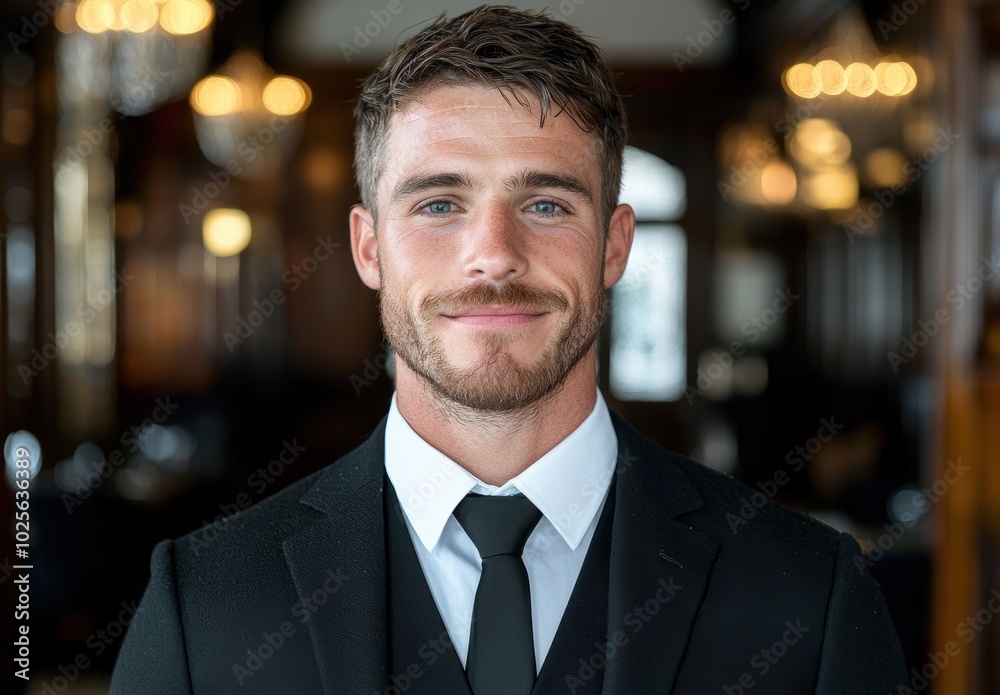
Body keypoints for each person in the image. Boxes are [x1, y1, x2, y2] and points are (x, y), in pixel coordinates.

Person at [110, 5, 907, 693]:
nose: (493, 254)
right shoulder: (204, 602)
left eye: (547, 202)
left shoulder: (812, 594)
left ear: (614, 246)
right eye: (439, 202)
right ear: (367, 248)